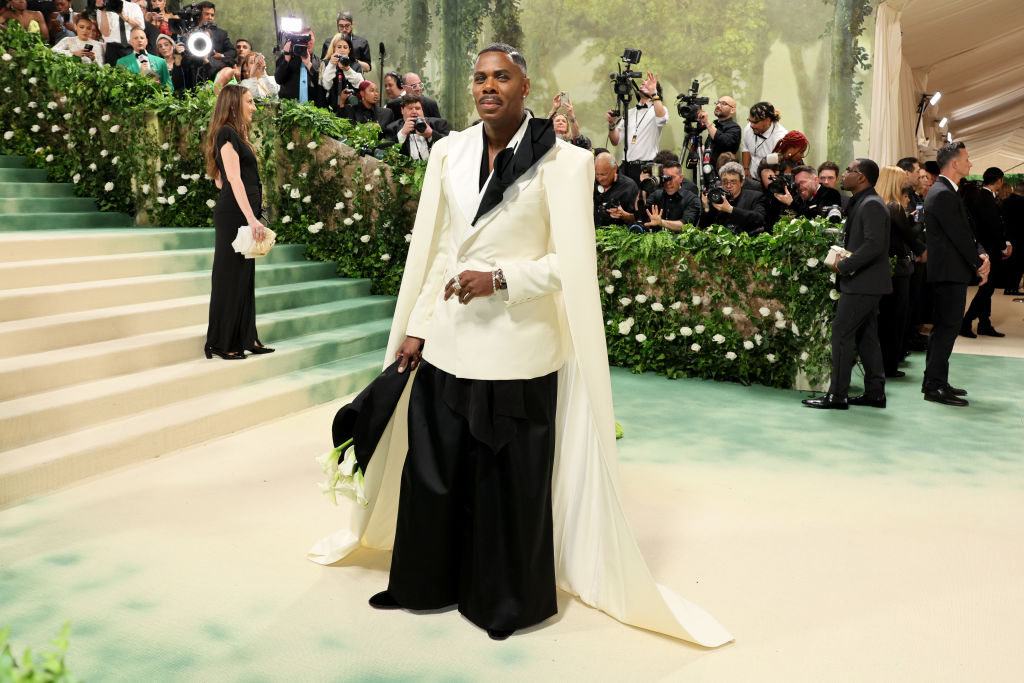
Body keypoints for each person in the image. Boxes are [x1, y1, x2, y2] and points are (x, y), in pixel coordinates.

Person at [310, 41, 732, 649]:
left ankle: (504, 598)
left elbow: (574, 263)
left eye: (501, 77)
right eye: (479, 76)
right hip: (448, 343)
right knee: (432, 470)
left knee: (508, 481)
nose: (487, 86)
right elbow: (440, 253)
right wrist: (418, 327)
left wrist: (504, 278)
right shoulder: (449, 153)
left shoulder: (566, 163)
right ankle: (422, 583)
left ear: (524, 87)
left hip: (520, 346)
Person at [803, 158, 891, 410]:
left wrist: (844, 266)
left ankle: (837, 395)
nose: (844, 176)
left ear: (862, 177)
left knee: (841, 333)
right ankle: (875, 392)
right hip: (867, 282)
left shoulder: (871, 204)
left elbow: (874, 245)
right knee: (866, 337)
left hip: (863, 283)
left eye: (850, 171)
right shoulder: (867, 201)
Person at [202, 84, 273, 361]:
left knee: (244, 277)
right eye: (250, 102)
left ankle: (247, 337)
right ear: (234, 105)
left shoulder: (234, 135)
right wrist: (251, 217)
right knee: (229, 277)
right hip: (235, 215)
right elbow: (232, 179)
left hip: (239, 212)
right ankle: (221, 342)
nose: (254, 107)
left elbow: (219, 177)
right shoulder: (226, 132)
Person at [921, 141, 990, 406]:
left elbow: (967, 232)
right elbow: (960, 236)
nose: (970, 163)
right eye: (967, 159)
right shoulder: (942, 193)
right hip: (948, 273)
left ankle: (937, 381)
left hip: (951, 271)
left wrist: (980, 256)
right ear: (955, 163)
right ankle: (933, 386)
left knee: (946, 329)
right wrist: (979, 263)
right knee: (946, 329)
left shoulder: (946, 191)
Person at [875, 166, 925, 378]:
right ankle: (889, 366)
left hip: (883, 269)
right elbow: (909, 237)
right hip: (897, 270)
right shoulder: (894, 207)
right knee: (895, 319)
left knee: (884, 319)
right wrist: (920, 221)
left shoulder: (879, 205)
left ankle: (883, 364)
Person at [961, 167, 1011, 338]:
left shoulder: (983, 197)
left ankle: (984, 323)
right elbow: (994, 227)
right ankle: (966, 321)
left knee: (987, 289)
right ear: (999, 180)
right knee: (986, 289)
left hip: (987, 248)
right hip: (988, 250)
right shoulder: (986, 199)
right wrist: (1004, 246)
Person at [605, 72, 669, 187]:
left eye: (647, 84)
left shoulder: (658, 109)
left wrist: (654, 92)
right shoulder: (629, 112)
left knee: (643, 201)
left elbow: (661, 118)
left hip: (646, 167)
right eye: (643, 83)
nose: (642, 84)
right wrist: (611, 124)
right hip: (626, 166)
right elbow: (615, 141)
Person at [699, 161, 767, 235]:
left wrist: (730, 210)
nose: (728, 186)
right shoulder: (717, 199)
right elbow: (703, 227)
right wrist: (706, 206)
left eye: (733, 182)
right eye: (725, 182)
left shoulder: (755, 197)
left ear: (742, 183)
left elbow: (759, 218)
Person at [384, 93, 449, 160]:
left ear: (422, 110)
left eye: (418, 108)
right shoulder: (392, 128)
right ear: (402, 110)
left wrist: (431, 134)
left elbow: (450, 145)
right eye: (410, 108)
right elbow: (386, 152)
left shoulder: (438, 124)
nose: (414, 112)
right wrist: (402, 134)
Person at [643, 159, 699, 231]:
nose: (668, 183)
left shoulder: (692, 199)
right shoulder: (656, 196)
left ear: (681, 178)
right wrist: (643, 187)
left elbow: (685, 226)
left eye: (671, 178)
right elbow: (639, 213)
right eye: (665, 178)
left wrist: (661, 222)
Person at [274, 27, 321, 104]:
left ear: (314, 40)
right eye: (303, 39)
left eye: (310, 39)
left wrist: (309, 65)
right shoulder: (286, 57)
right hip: (288, 107)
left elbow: (321, 84)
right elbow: (279, 79)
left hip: (312, 109)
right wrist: (286, 60)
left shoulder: (318, 62)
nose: (307, 42)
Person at [320, 33, 363, 116]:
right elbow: (326, 85)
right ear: (333, 48)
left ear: (349, 49)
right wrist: (331, 65)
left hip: (351, 110)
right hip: (329, 109)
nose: (342, 50)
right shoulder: (325, 64)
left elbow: (360, 85)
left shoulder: (355, 65)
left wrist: (347, 69)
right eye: (339, 47)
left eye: (345, 47)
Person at [741, 101, 787, 179]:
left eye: (755, 122)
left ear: (768, 120)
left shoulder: (781, 138)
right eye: (750, 121)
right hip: (752, 177)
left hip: (769, 180)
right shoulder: (748, 128)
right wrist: (746, 169)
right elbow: (746, 148)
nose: (751, 125)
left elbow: (780, 165)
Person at [593, 151, 638, 227]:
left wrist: (624, 215)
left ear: (614, 169)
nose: (600, 179)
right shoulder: (591, 182)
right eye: (597, 174)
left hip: (617, 234)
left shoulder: (629, 187)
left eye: (603, 174)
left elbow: (636, 218)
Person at [696, 95, 741, 171]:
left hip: (724, 173)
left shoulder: (735, 128)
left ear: (732, 110)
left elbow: (723, 141)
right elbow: (710, 146)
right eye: (717, 103)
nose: (718, 105)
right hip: (708, 171)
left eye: (723, 103)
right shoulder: (716, 126)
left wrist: (707, 122)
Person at [92, 0, 144, 64]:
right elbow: (105, 33)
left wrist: (123, 16)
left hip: (131, 46)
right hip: (112, 48)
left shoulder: (134, 6)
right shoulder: (103, 9)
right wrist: (103, 11)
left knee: (132, 71)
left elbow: (140, 26)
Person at [1002, 182, 1024, 294]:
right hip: (1020, 238)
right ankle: (1013, 287)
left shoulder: (1005, 202)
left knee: (1010, 263)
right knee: (1019, 264)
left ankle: (1009, 287)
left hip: (1007, 237)